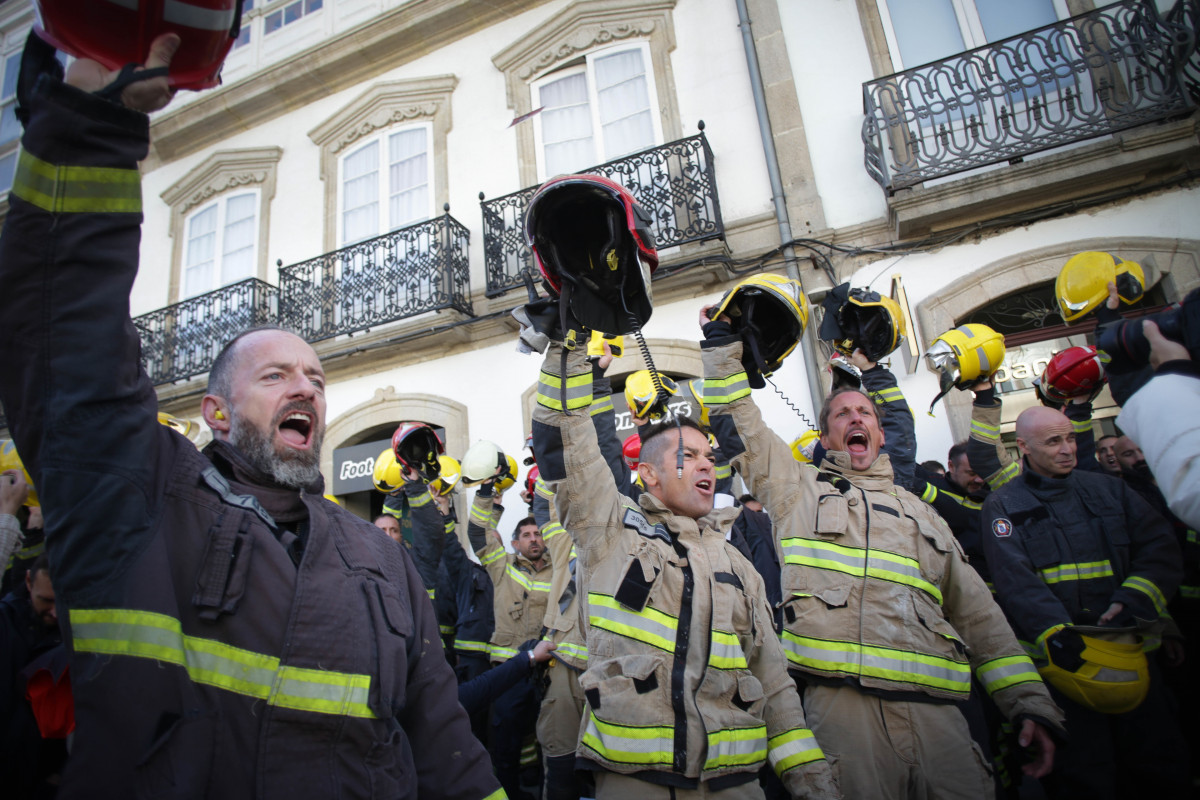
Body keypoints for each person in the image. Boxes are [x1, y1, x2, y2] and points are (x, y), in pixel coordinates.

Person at [0, 35, 501, 799]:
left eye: (317, 377)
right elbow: (66, 345)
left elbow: (443, 741)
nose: (306, 388)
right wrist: (86, 131)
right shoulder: (142, 501)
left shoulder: (380, 558)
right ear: (215, 412)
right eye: (275, 375)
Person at [700, 307, 1063, 800]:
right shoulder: (795, 490)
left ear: (880, 433)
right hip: (845, 715)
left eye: (865, 413)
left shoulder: (921, 513)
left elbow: (979, 616)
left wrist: (1029, 703)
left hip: (940, 718)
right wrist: (720, 345)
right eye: (843, 414)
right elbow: (737, 422)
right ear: (826, 438)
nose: (856, 418)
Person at [531, 335, 839, 800]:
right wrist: (569, 342)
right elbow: (566, 442)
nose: (706, 466)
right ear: (648, 475)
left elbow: (773, 682)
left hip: (735, 785)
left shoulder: (739, 563)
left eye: (710, 458)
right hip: (635, 782)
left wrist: (811, 782)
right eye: (688, 456)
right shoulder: (610, 532)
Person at [980, 406, 1188, 799]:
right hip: (1067, 673)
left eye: (1071, 438)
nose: (1067, 450)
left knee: (1159, 768)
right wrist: (1059, 637)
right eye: (1053, 441)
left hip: (1134, 656)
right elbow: (1016, 582)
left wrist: (1135, 601)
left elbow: (1159, 548)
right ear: (1023, 447)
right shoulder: (1003, 507)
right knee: (1086, 779)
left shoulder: (1110, 490)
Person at [468, 483, 553, 800]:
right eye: (527, 535)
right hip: (508, 672)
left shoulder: (561, 570)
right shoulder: (501, 565)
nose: (534, 539)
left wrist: (541, 505)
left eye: (538, 534)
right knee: (504, 748)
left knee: (550, 746)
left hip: (550, 672)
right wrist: (487, 495)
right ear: (515, 543)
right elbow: (478, 533)